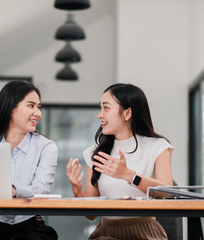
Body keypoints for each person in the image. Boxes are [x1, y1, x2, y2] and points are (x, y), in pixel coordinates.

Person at [66, 83, 174, 240]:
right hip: (107, 232)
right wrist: (77, 190)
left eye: (106, 108)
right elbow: (91, 214)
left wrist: (129, 175)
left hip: (145, 233)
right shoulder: (95, 153)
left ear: (127, 113)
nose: (100, 114)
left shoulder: (158, 147)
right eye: (100, 108)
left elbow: (168, 193)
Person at [0, 80, 58, 240]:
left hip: (31, 227)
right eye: (31, 106)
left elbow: (41, 191)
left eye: (38, 107)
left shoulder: (46, 147)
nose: (38, 113)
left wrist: (14, 190)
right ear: (10, 109)